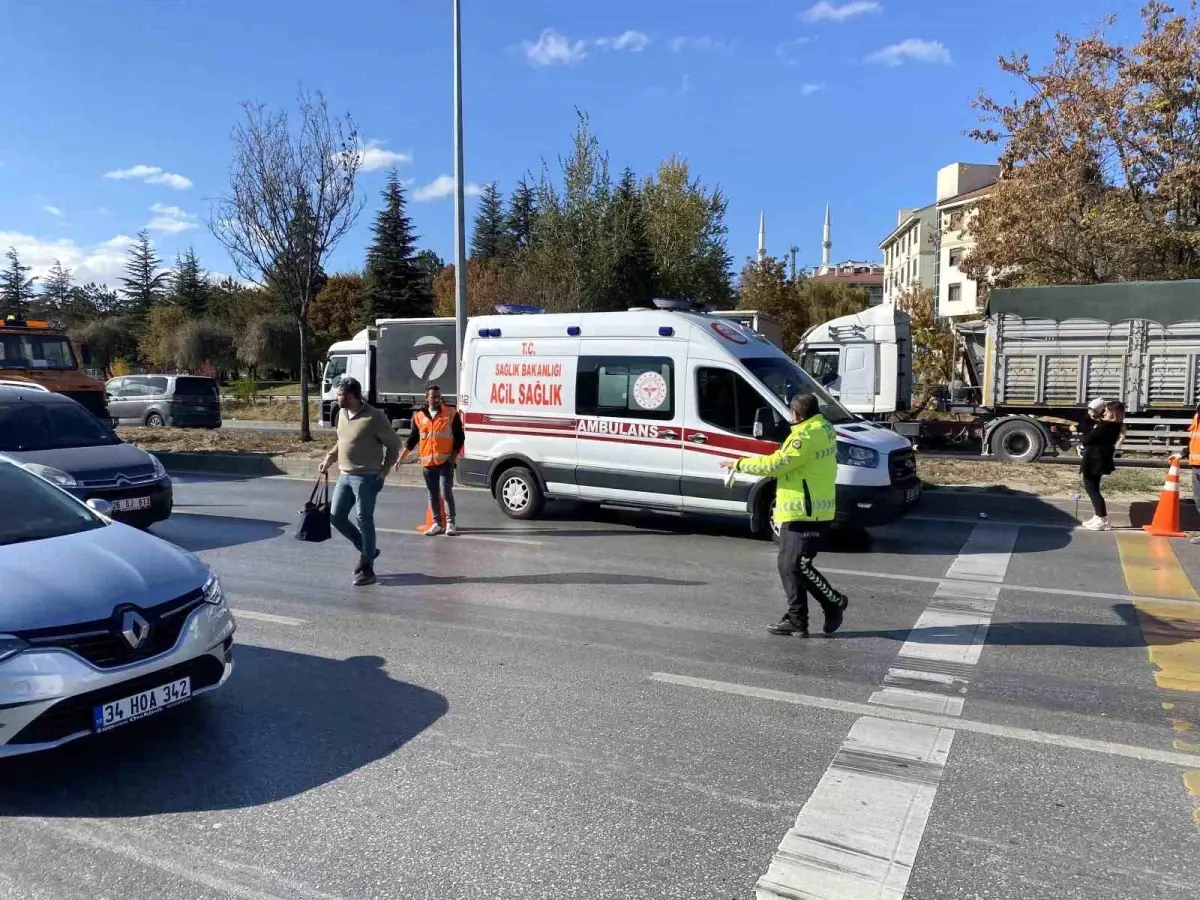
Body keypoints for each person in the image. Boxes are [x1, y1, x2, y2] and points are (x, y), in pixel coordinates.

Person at [720, 393, 849, 637]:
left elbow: (775, 465)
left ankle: (834, 602)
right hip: (800, 509)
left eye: (791, 413)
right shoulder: (823, 426)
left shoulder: (804, 437)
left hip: (807, 511)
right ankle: (797, 619)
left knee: (797, 564)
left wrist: (738, 464)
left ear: (796, 414)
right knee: (786, 564)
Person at [318, 376, 401, 586]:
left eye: (341, 394)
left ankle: (367, 567)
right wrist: (329, 458)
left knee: (364, 518)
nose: (337, 397)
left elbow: (394, 445)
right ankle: (368, 550)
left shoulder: (374, 417)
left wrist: (383, 472)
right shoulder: (341, 414)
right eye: (337, 393)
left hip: (366, 477)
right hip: (344, 475)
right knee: (336, 516)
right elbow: (342, 440)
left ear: (353, 396)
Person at [398, 384, 465, 536]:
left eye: (438, 397)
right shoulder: (419, 416)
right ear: (426, 398)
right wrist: (401, 457)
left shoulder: (450, 413)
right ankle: (436, 523)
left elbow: (460, 437)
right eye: (433, 396)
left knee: (446, 492)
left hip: (445, 461)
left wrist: (453, 457)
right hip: (428, 463)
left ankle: (450, 523)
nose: (435, 399)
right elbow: (412, 439)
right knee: (432, 493)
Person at [1079, 401, 1122, 531]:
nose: (1104, 413)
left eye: (1108, 411)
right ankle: (1098, 516)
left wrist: (1093, 427)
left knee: (1092, 489)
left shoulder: (1107, 426)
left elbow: (1087, 439)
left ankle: (1102, 519)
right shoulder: (1112, 425)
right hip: (1096, 459)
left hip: (1095, 460)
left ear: (1114, 414)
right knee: (1093, 488)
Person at [1189, 402, 1200, 545]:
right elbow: (1194, 441)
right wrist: (1183, 453)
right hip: (1197, 465)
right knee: (1198, 500)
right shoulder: (1196, 417)